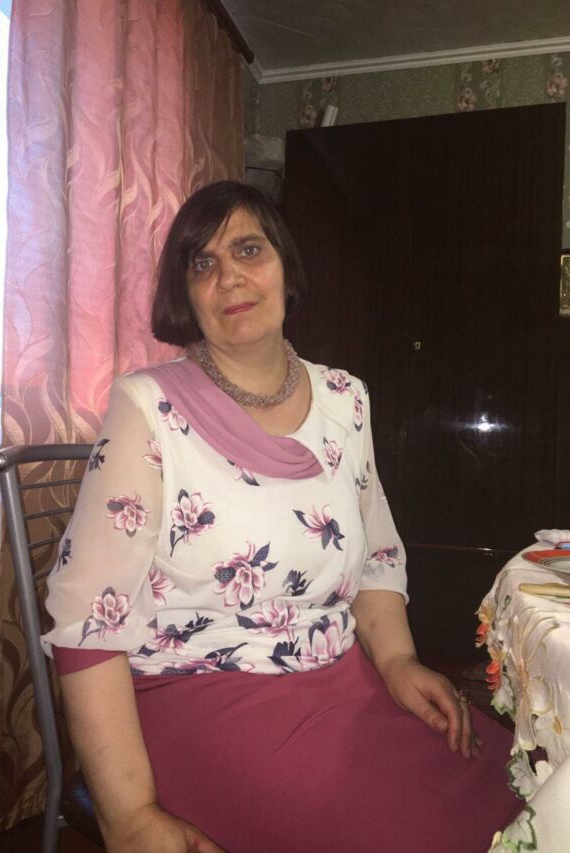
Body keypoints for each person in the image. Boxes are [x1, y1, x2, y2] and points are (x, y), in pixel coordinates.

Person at [42, 181, 520, 853]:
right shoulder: (147, 407)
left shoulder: (346, 399)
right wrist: (131, 814)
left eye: (248, 250)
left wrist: (398, 660)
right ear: (186, 294)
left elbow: (377, 555)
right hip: (202, 699)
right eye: (202, 263)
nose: (229, 276)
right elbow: (89, 620)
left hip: (345, 682)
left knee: (516, 785)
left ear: (286, 269)